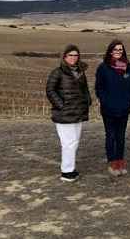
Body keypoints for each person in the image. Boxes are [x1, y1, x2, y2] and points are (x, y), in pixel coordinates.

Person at [46, 44, 92, 182]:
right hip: (64, 114)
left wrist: (87, 100)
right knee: (68, 143)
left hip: (78, 112)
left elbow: (85, 89)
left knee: (75, 142)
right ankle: (66, 172)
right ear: (65, 56)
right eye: (70, 55)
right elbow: (50, 90)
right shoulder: (57, 72)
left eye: (76, 55)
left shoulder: (80, 72)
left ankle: (70, 168)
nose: (73, 58)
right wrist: (61, 105)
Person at [95, 40, 130, 177]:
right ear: (110, 51)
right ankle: (112, 162)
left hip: (123, 108)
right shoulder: (103, 67)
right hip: (109, 109)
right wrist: (105, 101)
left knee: (121, 136)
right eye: (115, 49)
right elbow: (99, 88)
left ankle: (120, 161)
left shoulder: (128, 67)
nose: (118, 52)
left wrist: (129, 101)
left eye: (120, 49)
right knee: (110, 135)